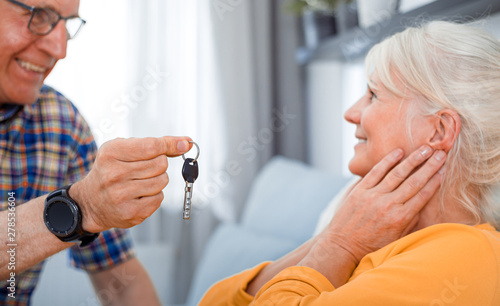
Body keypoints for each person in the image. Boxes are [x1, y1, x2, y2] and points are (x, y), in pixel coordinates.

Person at [200, 20, 500, 305]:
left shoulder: (466, 255)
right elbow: (214, 301)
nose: (351, 112)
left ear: (439, 130)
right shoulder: (375, 233)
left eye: (373, 94)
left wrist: (339, 245)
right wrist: (337, 235)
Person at [0, 0, 192, 305]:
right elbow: (87, 204)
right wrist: (82, 208)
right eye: (39, 16)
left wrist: (90, 206)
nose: (60, 49)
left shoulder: (62, 124)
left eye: (67, 23)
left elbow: (122, 286)